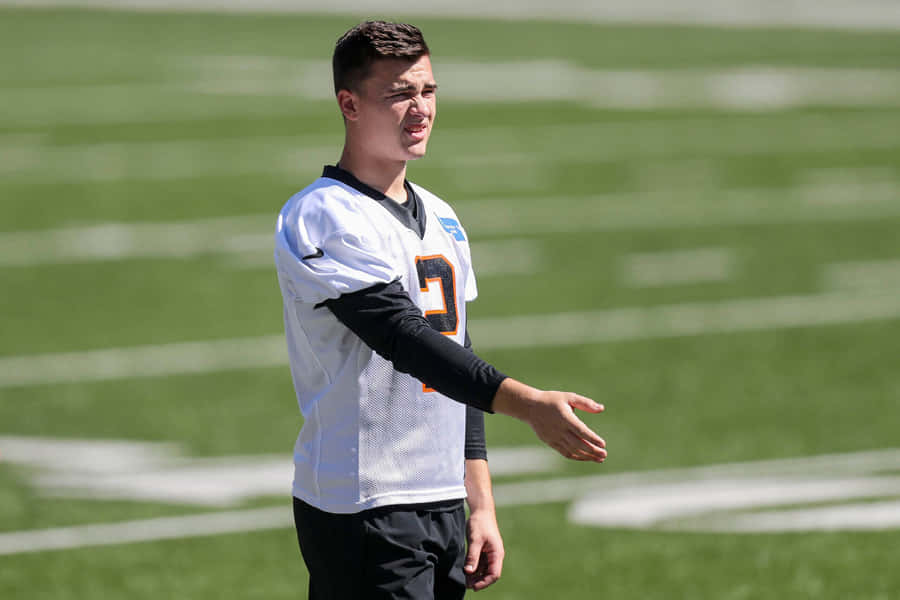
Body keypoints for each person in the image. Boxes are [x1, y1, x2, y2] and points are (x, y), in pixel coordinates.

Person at [273, 20, 607, 599]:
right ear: (349, 104)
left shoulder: (441, 214)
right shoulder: (324, 214)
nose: (420, 109)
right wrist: (526, 404)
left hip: (440, 498)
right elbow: (402, 338)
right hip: (365, 501)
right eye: (399, 94)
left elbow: (457, 356)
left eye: (427, 91)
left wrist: (479, 501)